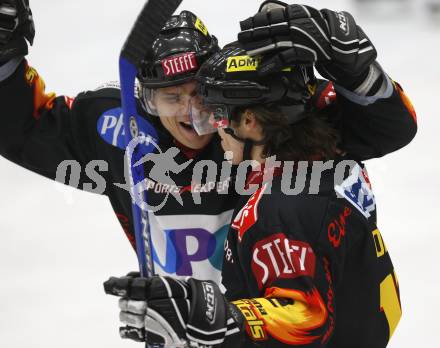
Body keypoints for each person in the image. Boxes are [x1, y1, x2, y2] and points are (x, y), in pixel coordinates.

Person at [103, 2, 416, 348]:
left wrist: (220, 318)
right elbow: (390, 124)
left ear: (250, 122)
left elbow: (307, 316)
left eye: (218, 116)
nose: (211, 130)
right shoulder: (333, 157)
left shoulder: (271, 211)